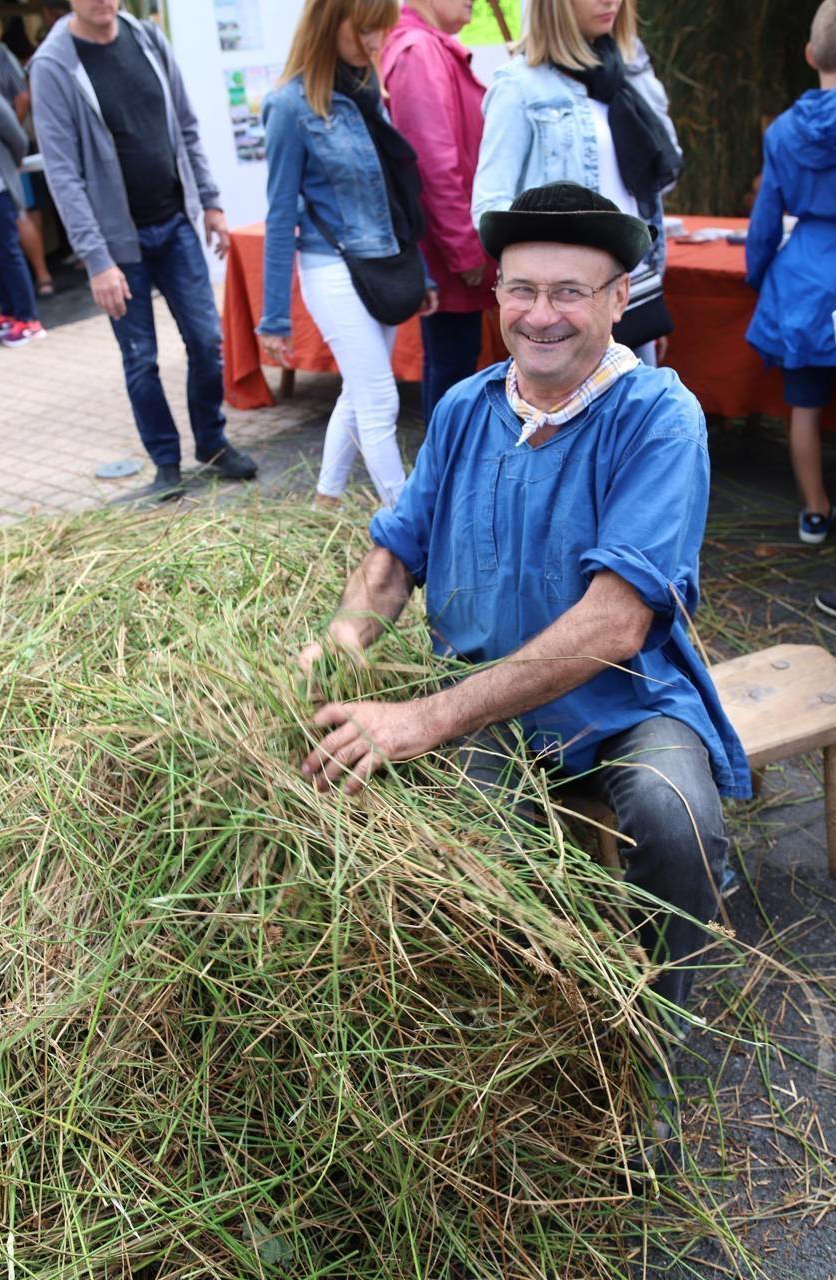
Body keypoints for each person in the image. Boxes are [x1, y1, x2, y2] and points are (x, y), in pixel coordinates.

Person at [299, 183, 750, 1039]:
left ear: (619, 298)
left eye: (569, 292)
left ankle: (657, 1024)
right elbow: (395, 556)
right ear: (495, 292)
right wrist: (340, 641)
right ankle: (519, 1040)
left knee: (674, 814)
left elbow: (615, 624)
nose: (540, 316)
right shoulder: (469, 407)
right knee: (460, 865)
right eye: (521, 289)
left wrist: (422, 718)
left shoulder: (658, 416)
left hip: (623, 702)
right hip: (485, 711)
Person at [29, 0, 257, 501]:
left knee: (206, 342)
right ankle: (166, 463)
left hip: (174, 224)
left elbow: (187, 127)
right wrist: (96, 258)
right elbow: (63, 174)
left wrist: (212, 204)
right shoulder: (53, 66)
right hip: (117, 244)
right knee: (141, 358)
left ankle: (213, 444)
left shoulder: (148, 38)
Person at [258, 0, 437, 511]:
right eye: (364, 30)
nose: (376, 43)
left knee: (359, 395)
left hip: (380, 264)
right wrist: (273, 318)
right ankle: (410, 531)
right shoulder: (290, 106)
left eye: (381, 30)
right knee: (379, 398)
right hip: (331, 268)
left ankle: (326, 500)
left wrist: (419, 273)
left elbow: (393, 197)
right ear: (327, 26)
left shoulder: (365, 96)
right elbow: (278, 217)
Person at [471, 0, 681, 365]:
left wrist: (645, 287)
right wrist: (538, 281)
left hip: (627, 287)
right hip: (563, 303)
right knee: (569, 417)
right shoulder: (520, 85)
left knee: (634, 414)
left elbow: (656, 180)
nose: (611, 1)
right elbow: (490, 204)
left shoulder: (624, 75)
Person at [745, 0, 836, 546]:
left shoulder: (782, 132)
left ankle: (816, 511)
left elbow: (763, 224)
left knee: (803, 404)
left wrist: (759, 278)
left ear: (809, 54)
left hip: (804, 278)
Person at [381, 0, 495, 423]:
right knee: (452, 367)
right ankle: (444, 479)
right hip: (448, 246)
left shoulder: (426, 47)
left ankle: (444, 474)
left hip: (448, 240)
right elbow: (431, 165)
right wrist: (465, 251)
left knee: (451, 363)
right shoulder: (420, 51)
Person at [0, 30, 52, 296]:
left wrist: (7, 139)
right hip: (6, 150)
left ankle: (40, 283)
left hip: (2, 155)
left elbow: (23, 96)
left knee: (20, 217)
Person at [0, 82, 46, 347]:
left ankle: (29, 318)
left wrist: (13, 165)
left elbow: (16, 138)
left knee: (7, 253)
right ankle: (9, 312)